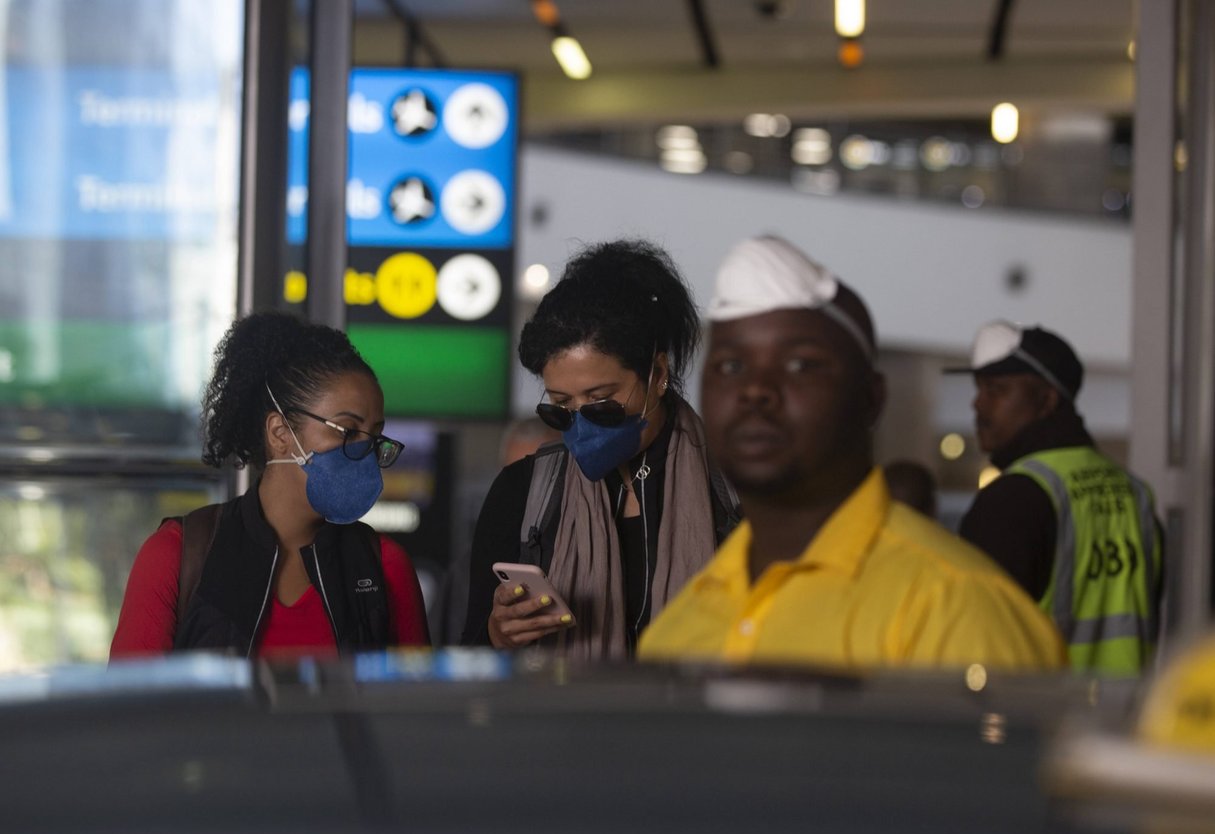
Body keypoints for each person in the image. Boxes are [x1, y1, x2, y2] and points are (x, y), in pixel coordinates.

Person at [639, 236, 1064, 671]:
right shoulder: (681, 623)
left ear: (870, 398)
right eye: (731, 366)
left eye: (801, 364)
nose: (755, 391)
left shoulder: (957, 612)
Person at [462, 239, 740, 658]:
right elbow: (471, 656)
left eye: (601, 401)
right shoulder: (522, 493)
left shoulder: (735, 492)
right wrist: (498, 634)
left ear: (658, 373)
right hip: (569, 723)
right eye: (560, 407)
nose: (582, 422)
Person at [110, 313, 429, 658]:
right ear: (279, 433)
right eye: (348, 431)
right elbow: (130, 707)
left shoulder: (384, 566)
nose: (365, 452)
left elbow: (416, 707)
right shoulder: (178, 555)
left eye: (374, 437)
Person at [948, 320, 1162, 676]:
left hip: (1042, 721)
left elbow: (975, 644)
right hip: (1123, 718)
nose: (977, 403)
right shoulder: (1133, 492)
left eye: (996, 390)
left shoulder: (1013, 499)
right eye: (978, 388)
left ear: (1046, 401)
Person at [429, 418, 562, 645]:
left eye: (539, 479)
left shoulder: (588, 548)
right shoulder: (468, 569)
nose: (524, 493)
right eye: (512, 475)